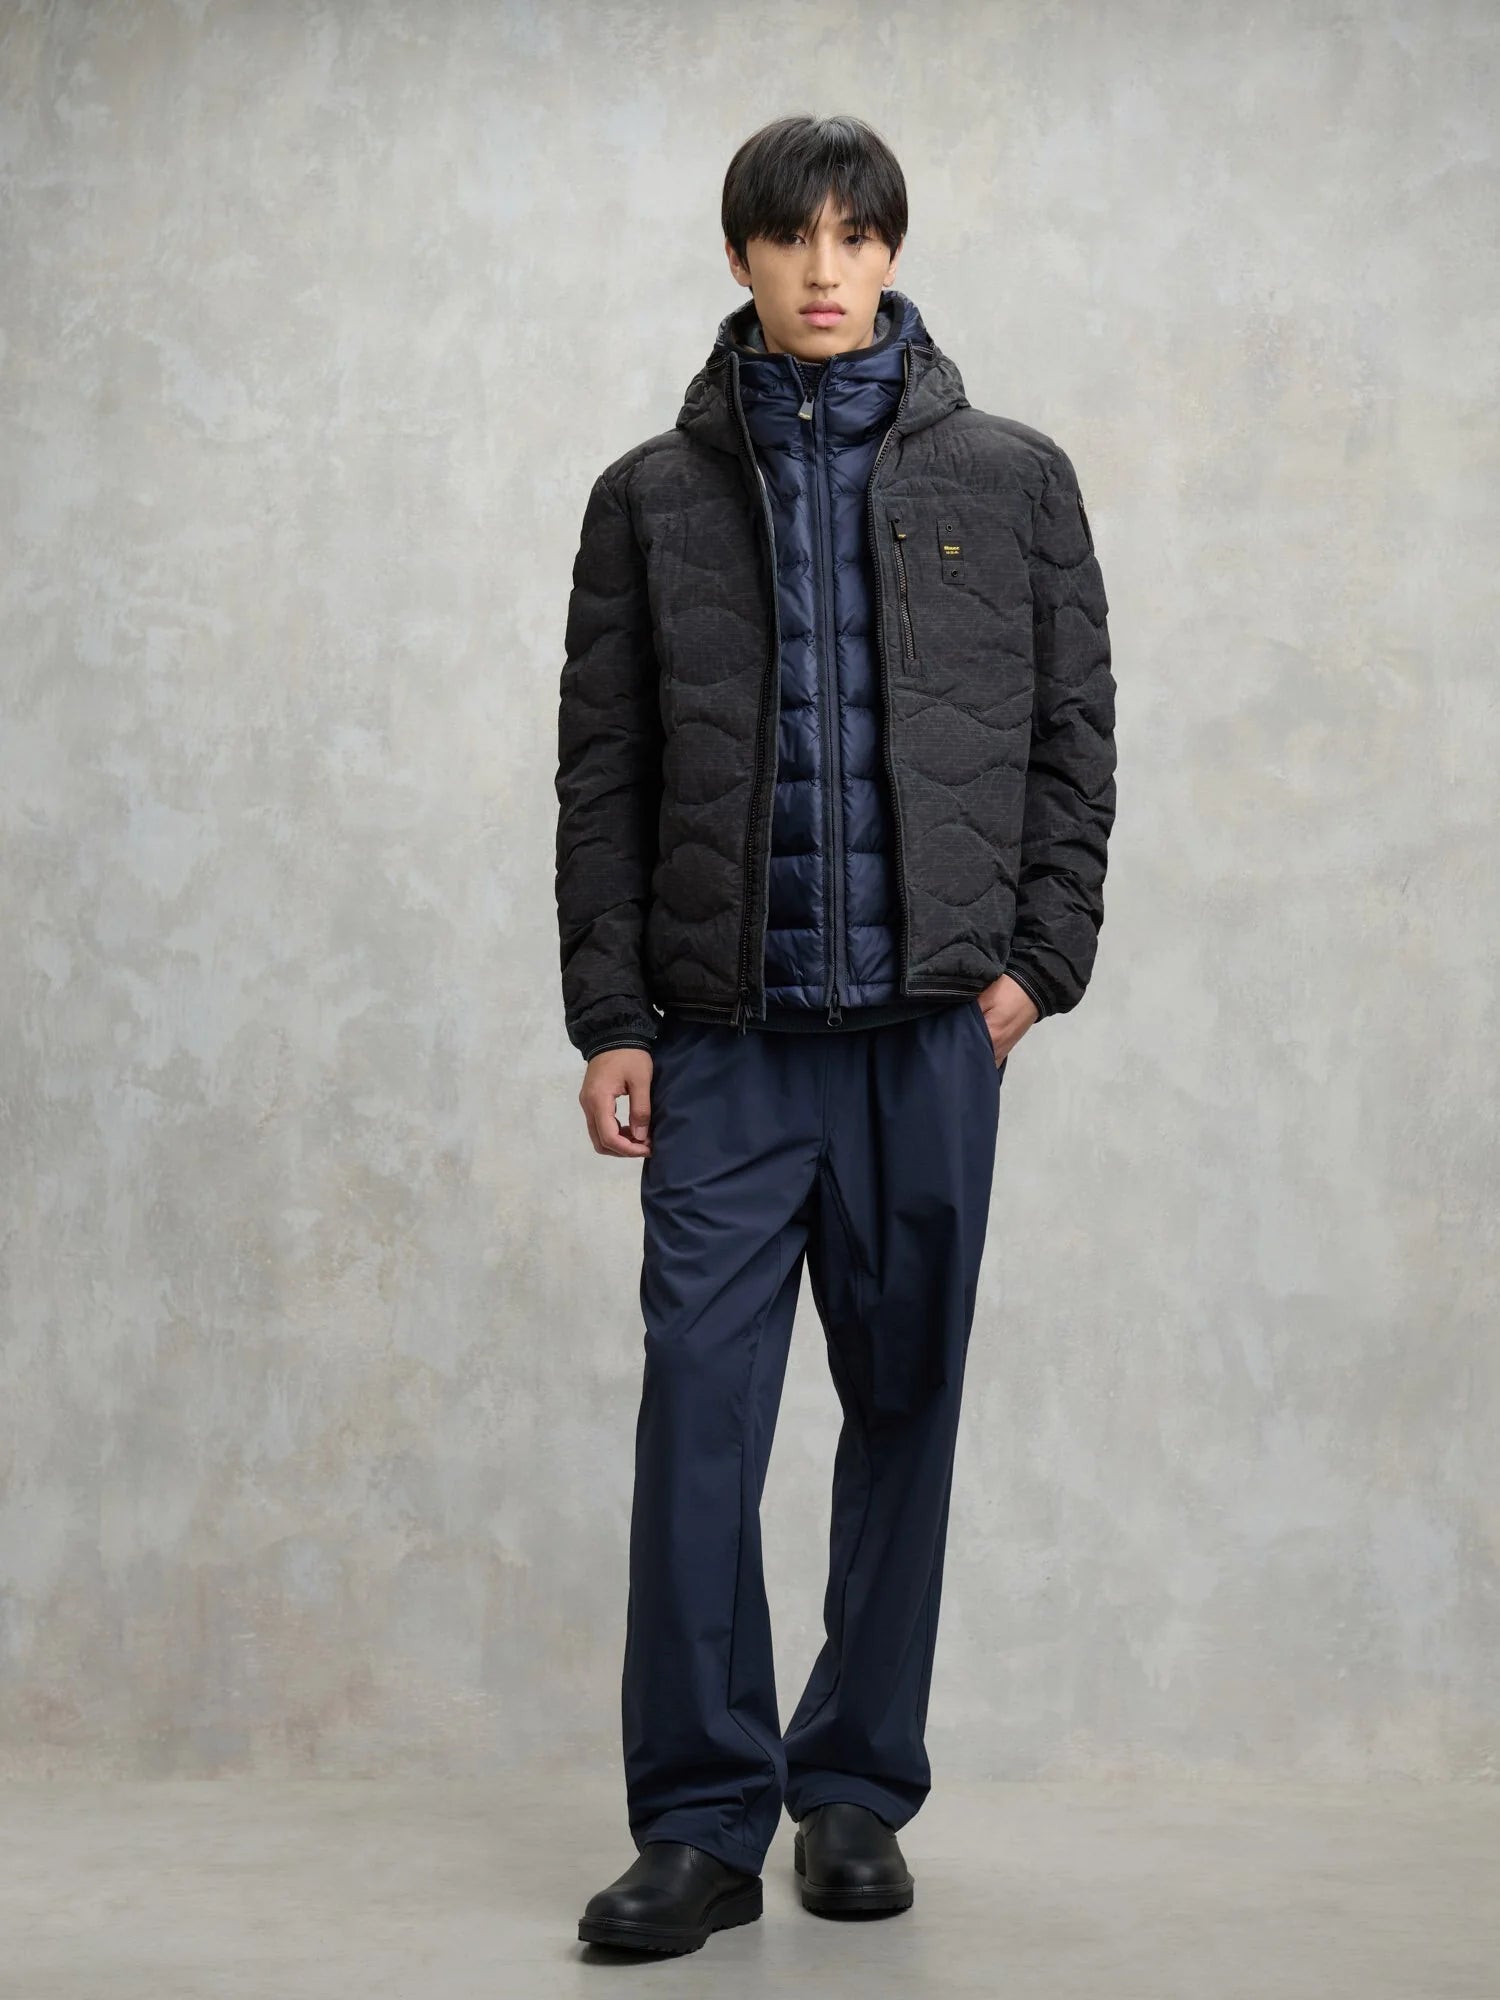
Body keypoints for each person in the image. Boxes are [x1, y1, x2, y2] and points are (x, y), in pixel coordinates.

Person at [556, 112, 1116, 1957]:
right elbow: (604, 773)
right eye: (790, 238)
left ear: (891, 252)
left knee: (906, 1405)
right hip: (722, 1046)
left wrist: (1036, 968)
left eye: (855, 236)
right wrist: (610, 1016)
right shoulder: (649, 498)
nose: (824, 268)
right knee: (699, 1422)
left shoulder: (1015, 481)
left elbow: (1074, 742)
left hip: (929, 1037)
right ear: (740, 258)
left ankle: (857, 1788)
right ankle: (700, 1822)